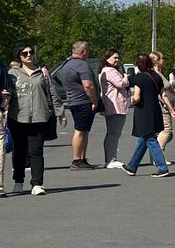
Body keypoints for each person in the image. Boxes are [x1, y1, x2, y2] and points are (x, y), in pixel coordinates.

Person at [6, 44, 57, 195]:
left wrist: (59, 112)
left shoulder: (42, 73)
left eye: (31, 52)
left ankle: (37, 184)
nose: (29, 55)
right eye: (25, 53)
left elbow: (52, 92)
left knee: (36, 150)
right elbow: (6, 92)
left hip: (39, 117)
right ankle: (19, 181)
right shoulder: (12, 74)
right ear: (20, 57)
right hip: (17, 118)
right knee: (20, 151)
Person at [122, 53, 170, 178]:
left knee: (150, 139)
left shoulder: (139, 77)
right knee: (144, 139)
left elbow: (137, 97)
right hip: (155, 109)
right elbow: (161, 94)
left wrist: (131, 100)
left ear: (138, 64)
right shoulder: (156, 77)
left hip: (143, 112)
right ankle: (132, 166)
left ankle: (162, 167)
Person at [57, 41, 99, 170]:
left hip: (73, 101)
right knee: (80, 131)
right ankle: (76, 160)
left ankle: (82, 158)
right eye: (87, 51)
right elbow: (88, 85)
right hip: (83, 102)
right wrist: (95, 101)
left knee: (84, 131)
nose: (88, 53)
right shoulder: (82, 65)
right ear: (82, 51)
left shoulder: (66, 65)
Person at [97, 47, 130, 169]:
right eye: (114, 57)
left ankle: (111, 158)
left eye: (118, 57)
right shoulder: (110, 71)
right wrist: (126, 77)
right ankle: (111, 159)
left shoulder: (106, 70)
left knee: (114, 133)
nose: (117, 60)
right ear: (107, 58)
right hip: (115, 105)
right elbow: (120, 84)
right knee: (114, 133)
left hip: (113, 104)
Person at [150, 51, 175, 151]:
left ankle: (156, 151)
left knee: (168, 134)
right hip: (163, 106)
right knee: (167, 131)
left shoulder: (159, 73)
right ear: (156, 61)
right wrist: (166, 103)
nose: (163, 61)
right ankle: (157, 154)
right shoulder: (155, 74)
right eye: (162, 59)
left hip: (168, 104)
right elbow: (158, 92)